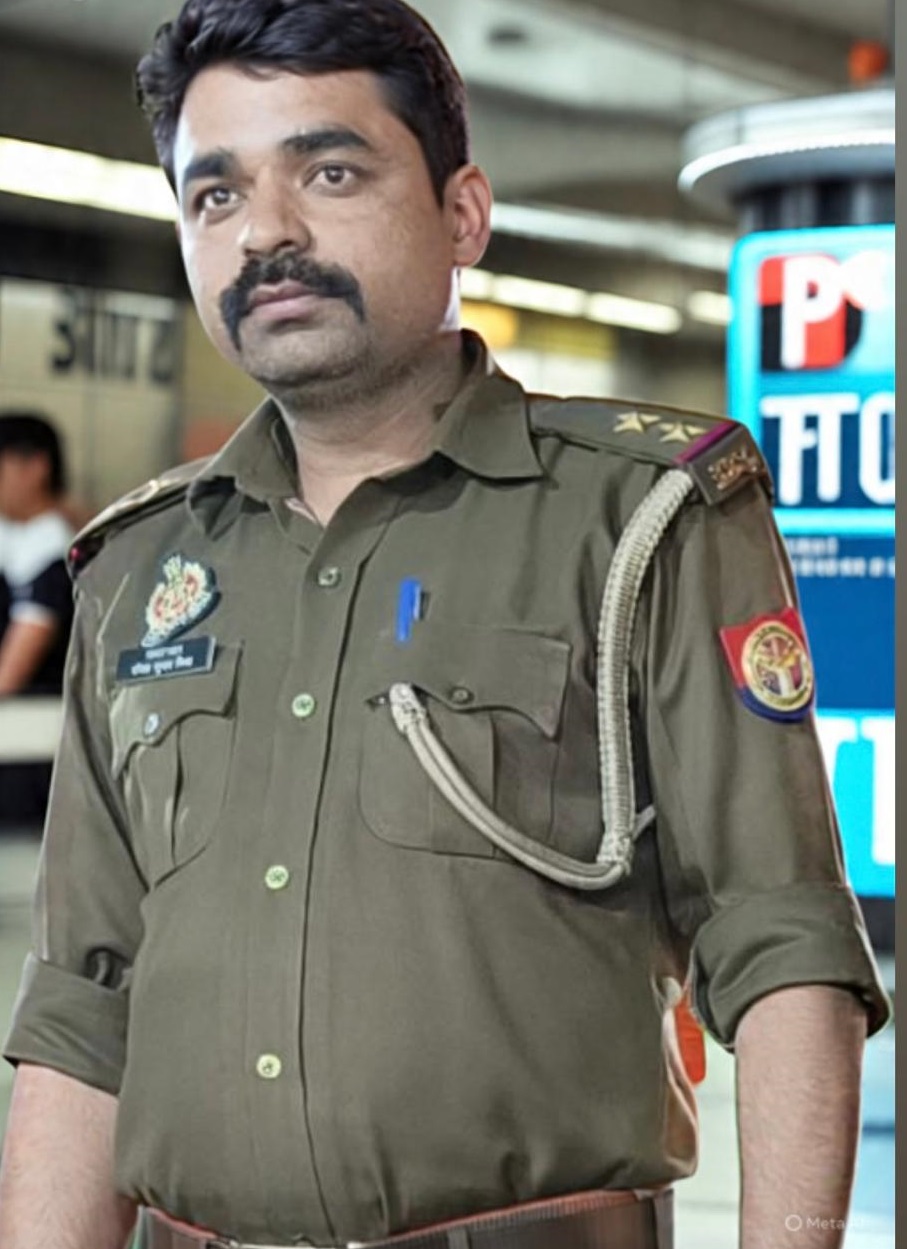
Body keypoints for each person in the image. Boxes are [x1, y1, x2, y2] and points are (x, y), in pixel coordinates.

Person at [0, 2, 889, 1247]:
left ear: (462, 212)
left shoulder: (639, 517)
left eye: (329, 172)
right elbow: (85, 1007)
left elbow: (781, 940)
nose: (266, 230)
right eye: (216, 194)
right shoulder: (138, 570)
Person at [0, 413, 75, 828]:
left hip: (30, 757)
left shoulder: (53, 554)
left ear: (36, 467)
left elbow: (10, 674)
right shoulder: (16, 536)